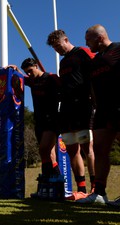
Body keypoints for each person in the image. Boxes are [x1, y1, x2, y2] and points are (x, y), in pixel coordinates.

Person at [47, 30, 96, 199]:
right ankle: (81, 189)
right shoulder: (63, 62)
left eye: (58, 45)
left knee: (86, 146)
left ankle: (96, 188)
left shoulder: (83, 53)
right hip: (66, 109)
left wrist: (94, 98)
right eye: (54, 48)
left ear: (66, 40)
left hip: (83, 105)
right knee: (71, 148)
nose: (57, 50)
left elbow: (95, 74)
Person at [77, 24, 120, 204]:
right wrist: (95, 105)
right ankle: (100, 193)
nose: (87, 44)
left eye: (89, 40)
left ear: (100, 38)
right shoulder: (94, 62)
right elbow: (92, 87)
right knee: (100, 149)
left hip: (119, 107)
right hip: (103, 110)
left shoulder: (118, 50)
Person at [16, 58, 61, 186]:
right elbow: (20, 77)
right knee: (48, 154)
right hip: (39, 120)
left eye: (30, 71)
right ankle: (52, 182)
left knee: (43, 149)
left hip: (52, 119)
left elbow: (65, 88)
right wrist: (15, 69)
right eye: (27, 72)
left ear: (36, 66)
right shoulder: (31, 80)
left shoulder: (51, 78)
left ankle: (52, 177)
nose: (29, 74)